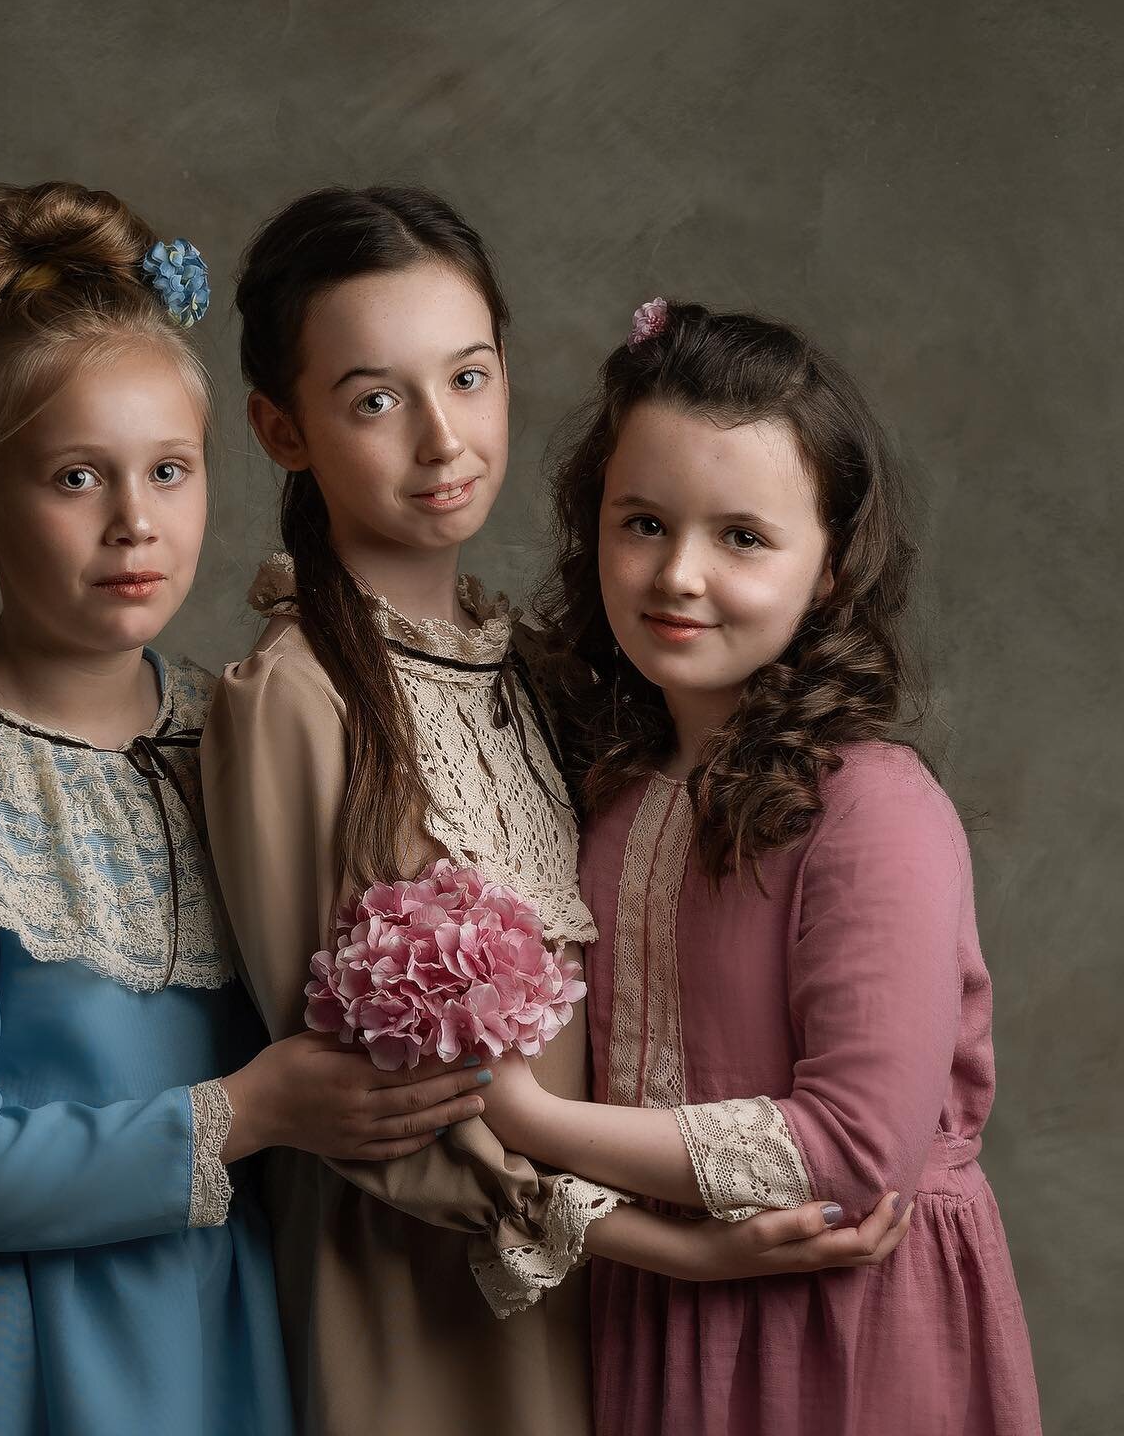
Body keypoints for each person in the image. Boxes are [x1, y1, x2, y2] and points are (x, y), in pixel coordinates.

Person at [201, 191, 905, 1436]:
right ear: (282, 427)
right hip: (419, 1292)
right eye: (375, 400)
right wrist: (666, 1250)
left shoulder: (547, 673)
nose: (441, 439)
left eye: (468, 378)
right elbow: (356, 1105)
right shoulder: (294, 700)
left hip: (600, 1304)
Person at [0, 180, 489, 1436]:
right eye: (75, 478)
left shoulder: (220, 728)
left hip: (211, 1328)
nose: (135, 525)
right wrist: (249, 1111)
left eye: (169, 471)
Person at [478, 298, 1042, 1435]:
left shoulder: (874, 807)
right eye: (643, 523)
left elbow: (846, 1151)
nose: (678, 575)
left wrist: (524, 1117)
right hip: (661, 1304)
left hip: (845, 1326)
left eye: (742, 537)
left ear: (829, 566)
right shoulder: (603, 790)